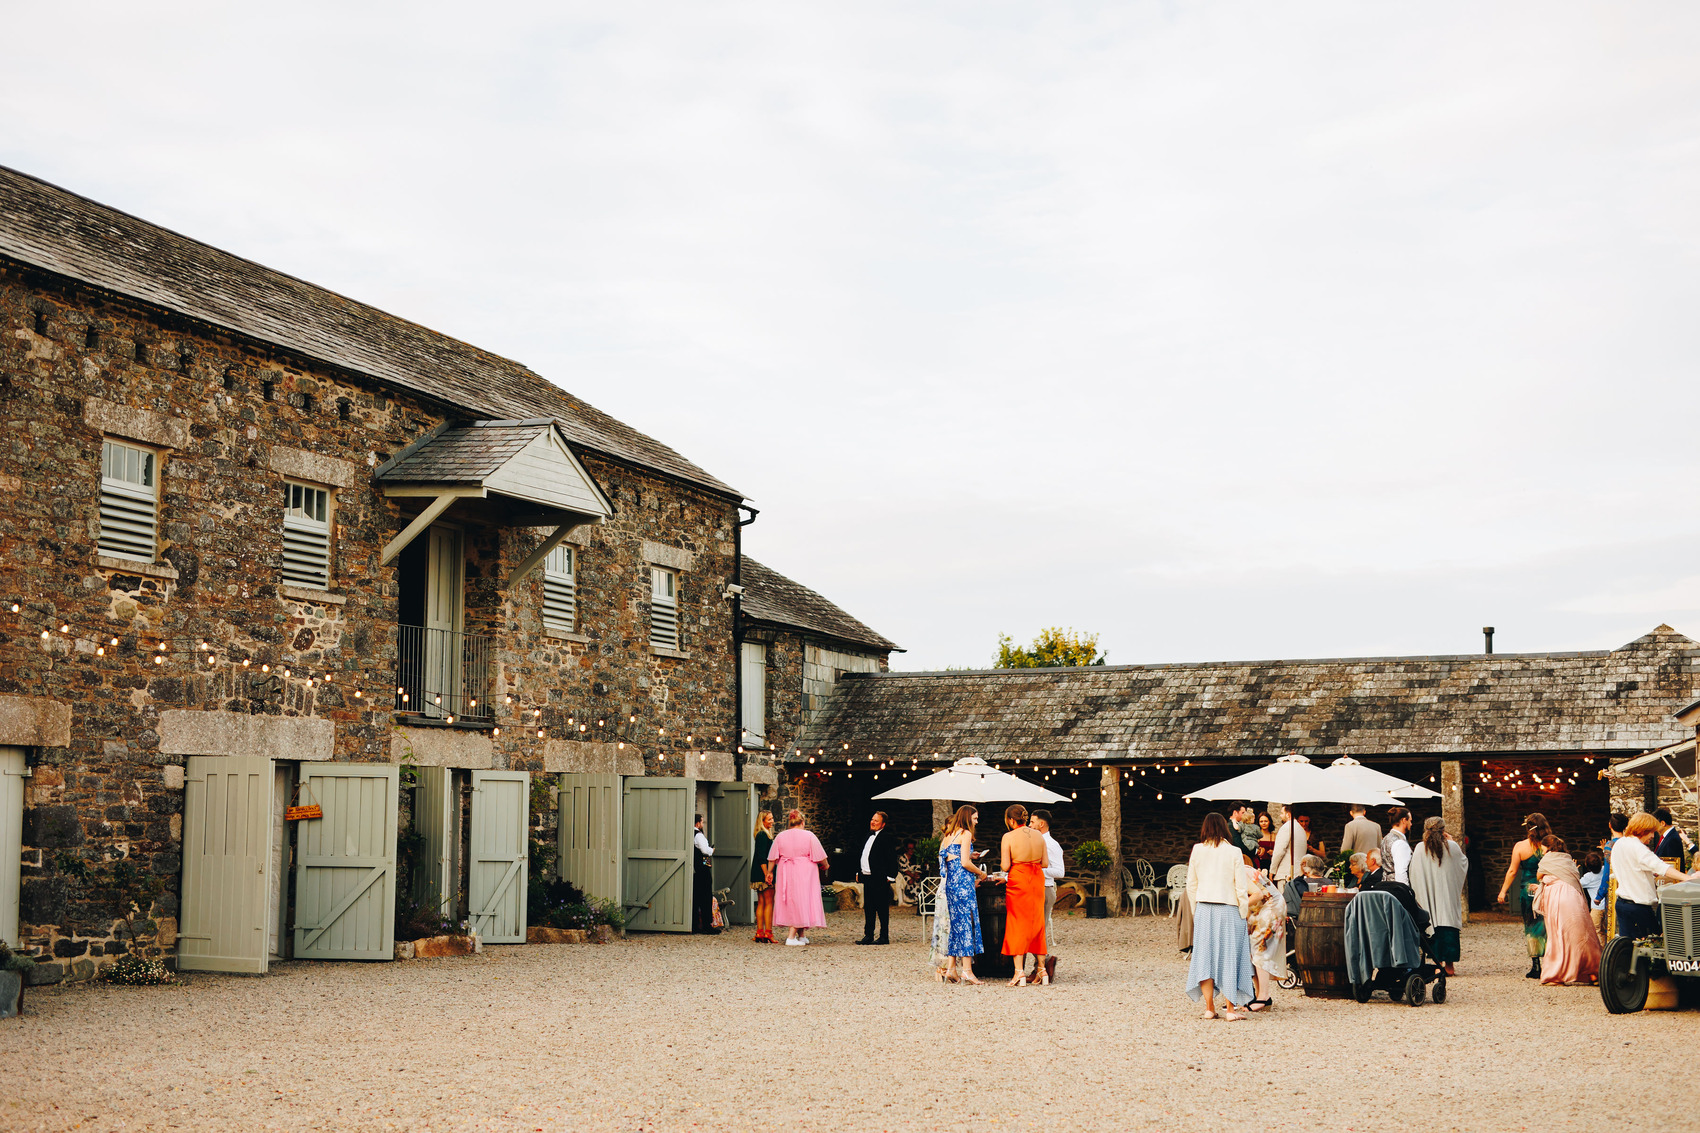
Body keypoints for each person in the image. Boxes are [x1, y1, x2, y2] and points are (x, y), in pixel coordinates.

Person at [1185, 811, 1256, 1021]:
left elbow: (1191, 884)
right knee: (1230, 957)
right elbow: (1241, 887)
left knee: (1205, 958)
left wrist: (1195, 910)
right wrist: (1243, 912)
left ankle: (1209, 1008)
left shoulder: (1197, 850)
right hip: (1229, 909)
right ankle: (1231, 1010)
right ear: (1224, 829)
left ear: (1205, 828)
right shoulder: (1234, 852)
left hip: (1205, 909)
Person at [1611, 812, 1697, 939]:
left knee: (1627, 949)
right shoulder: (1639, 848)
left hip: (1622, 905)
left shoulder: (1619, 844)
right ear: (1642, 829)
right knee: (1652, 948)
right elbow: (1663, 868)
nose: (1652, 836)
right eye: (1651, 831)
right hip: (1638, 908)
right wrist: (1688, 878)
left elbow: (1631, 867)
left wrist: (1649, 872)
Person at [1533, 835, 1600, 986]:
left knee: (1558, 934)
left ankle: (1555, 975)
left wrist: (1545, 879)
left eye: (1543, 849)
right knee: (1582, 933)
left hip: (1557, 898)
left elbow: (1538, 875)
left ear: (1548, 847)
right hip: (1574, 896)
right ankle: (1592, 971)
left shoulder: (1548, 859)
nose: (1542, 852)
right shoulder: (1568, 858)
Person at [933, 805, 988, 983]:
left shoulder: (948, 835)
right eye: (975, 818)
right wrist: (980, 873)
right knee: (966, 924)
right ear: (967, 818)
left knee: (956, 925)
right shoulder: (965, 834)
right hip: (963, 884)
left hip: (950, 884)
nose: (977, 821)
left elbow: (949, 859)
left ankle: (951, 969)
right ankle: (967, 970)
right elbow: (964, 862)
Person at [1408, 816, 1467, 977]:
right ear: (1443, 830)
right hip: (1446, 894)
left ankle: (1436, 964)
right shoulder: (1452, 847)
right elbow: (1462, 864)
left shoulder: (1421, 848)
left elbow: (1414, 872)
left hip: (1428, 895)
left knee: (1432, 925)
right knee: (1447, 924)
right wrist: (1452, 841)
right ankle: (1449, 966)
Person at [999, 803, 1049, 986]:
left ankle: (1019, 972)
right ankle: (1042, 970)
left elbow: (1005, 866)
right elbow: (1045, 863)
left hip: (1019, 879)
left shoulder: (1008, 836)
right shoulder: (1038, 835)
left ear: (1011, 820)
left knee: (1017, 923)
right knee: (1037, 923)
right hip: (1037, 878)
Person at [1496, 813, 1549, 978]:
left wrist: (1503, 891)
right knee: (1549, 924)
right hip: (1547, 887)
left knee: (1531, 925)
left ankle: (1536, 965)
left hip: (1528, 890)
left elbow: (1512, 871)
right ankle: (1551, 963)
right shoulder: (1552, 845)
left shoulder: (1520, 847)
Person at [768, 809, 827, 946]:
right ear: (803, 822)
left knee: (792, 899)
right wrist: (826, 865)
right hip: (804, 871)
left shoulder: (781, 836)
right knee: (802, 899)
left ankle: (801, 935)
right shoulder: (809, 835)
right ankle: (791, 936)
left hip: (786, 871)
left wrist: (769, 872)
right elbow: (821, 856)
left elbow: (772, 857)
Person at [1243, 864, 1287, 1012]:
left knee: (1259, 948)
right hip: (1260, 907)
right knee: (1251, 948)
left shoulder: (1240, 870)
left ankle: (1264, 996)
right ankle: (1258, 994)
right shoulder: (1238, 867)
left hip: (1271, 907)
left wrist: (1239, 906)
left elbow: (1259, 895)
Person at [1030, 809, 1065, 979]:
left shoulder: (1051, 845)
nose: (1029, 825)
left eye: (1032, 822)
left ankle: (1044, 964)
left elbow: (1060, 872)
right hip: (1034, 889)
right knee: (1032, 931)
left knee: (1038, 931)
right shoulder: (1035, 842)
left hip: (1045, 889)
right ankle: (1041, 965)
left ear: (1041, 824)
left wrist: (1036, 870)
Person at [856, 811, 898, 946]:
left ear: (883, 824)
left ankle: (884, 936)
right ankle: (868, 935)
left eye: (876, 821)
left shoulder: (887, 837)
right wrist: (859, 872)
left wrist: (891, 876)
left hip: (880, 878)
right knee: (868, 907)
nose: (873, 822)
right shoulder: (867, 835)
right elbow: (863, 855)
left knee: (882, 908)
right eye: (872, 819)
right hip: (867, 876)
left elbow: (891, 858)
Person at [1594, 812, 1628, 931]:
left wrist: (1600, 895)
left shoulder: (1610, 845)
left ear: (1610, 825)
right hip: (1629, 885)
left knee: (1614, 926)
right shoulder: (1629, 843)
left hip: (1615, 888)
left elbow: (1607, 873)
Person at [750, 809, 776, 943]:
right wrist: (767, 874)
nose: (772, 821)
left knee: (761, 902)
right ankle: (768, 933)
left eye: (772, 818)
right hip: (763, 872)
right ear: (763, 821)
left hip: (759, 872)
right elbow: (762, 857)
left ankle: (760, 932)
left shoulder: (761, 835)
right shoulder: (762, 835)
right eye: (769, 819)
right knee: (768, 902)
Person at [691, 814, 720, 935]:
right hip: (703, 870)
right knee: (706, 897)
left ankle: (695, 924)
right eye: (702, 822)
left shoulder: (689, 834)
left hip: (696, 869)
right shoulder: (698, 835)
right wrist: (711, 850)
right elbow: (705, 851)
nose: (702, 824)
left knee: (696, 898)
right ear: (698, 823)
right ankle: (707, 925)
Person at [1270, 811, 1313, 882]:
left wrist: (1272, 870)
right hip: (1299, 872)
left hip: (1286, 872)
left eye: (1282, 813)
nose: (1280, 816)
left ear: (1288, 814)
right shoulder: (1301, 829)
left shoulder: (1286, 827)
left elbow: (1279, 851)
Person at [1380, 807, 1413, 885]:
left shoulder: (1385, 838)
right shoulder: (1400, 843)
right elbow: (1401, 872)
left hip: (1387, 884)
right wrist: (1405, 892)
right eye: (1410, 821)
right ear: (1404, 820)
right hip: (1397, 887)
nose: (1411, 824)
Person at [895, 841, 920, 908]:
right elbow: (904, 870)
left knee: (918, 880)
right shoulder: (902, 858)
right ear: (906, 849)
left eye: (912, 848)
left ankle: (916, 899)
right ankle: (908, 897)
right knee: (908, 880)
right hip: (905, 875)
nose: (911, 850)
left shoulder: (916, 858)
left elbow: (918, 868)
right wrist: (912, 876)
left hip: (914, 875)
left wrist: (915, 876)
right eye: (909, 848)